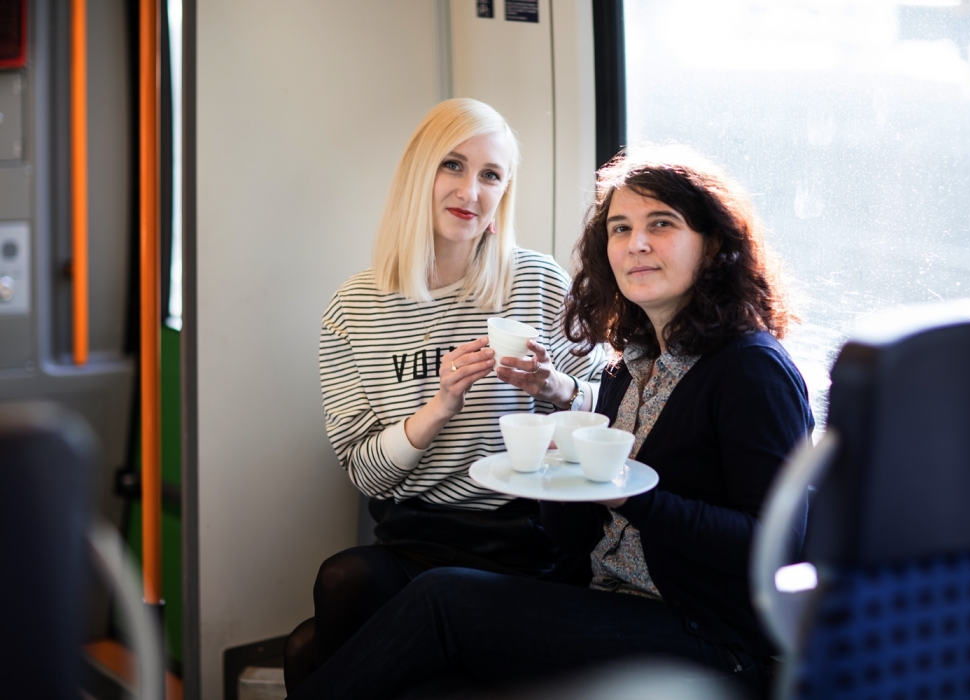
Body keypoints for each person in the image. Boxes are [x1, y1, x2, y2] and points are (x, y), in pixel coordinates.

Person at [285, 148, 816, 700]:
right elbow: (576, 539)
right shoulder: (626, 366)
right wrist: (552, 475)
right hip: (609, 596)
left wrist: (626, 495)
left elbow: (771, 548)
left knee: (442, 601)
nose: (636, 244)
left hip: (712, 636)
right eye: (620, 228)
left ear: (713, 246)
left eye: (662, 225)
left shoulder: (749, 368)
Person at [282, 98, 605, 691]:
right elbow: (365, 473)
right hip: (417, 532)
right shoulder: (354, 309)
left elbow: (610, 411)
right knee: (341, 582)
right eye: (453, 166)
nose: (471, 192)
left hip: (527, 532)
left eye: (491, 176)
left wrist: (553, 385)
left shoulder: (535, 279)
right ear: (418, 174)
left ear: (504, 193)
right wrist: (440, 406)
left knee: (314, 653)